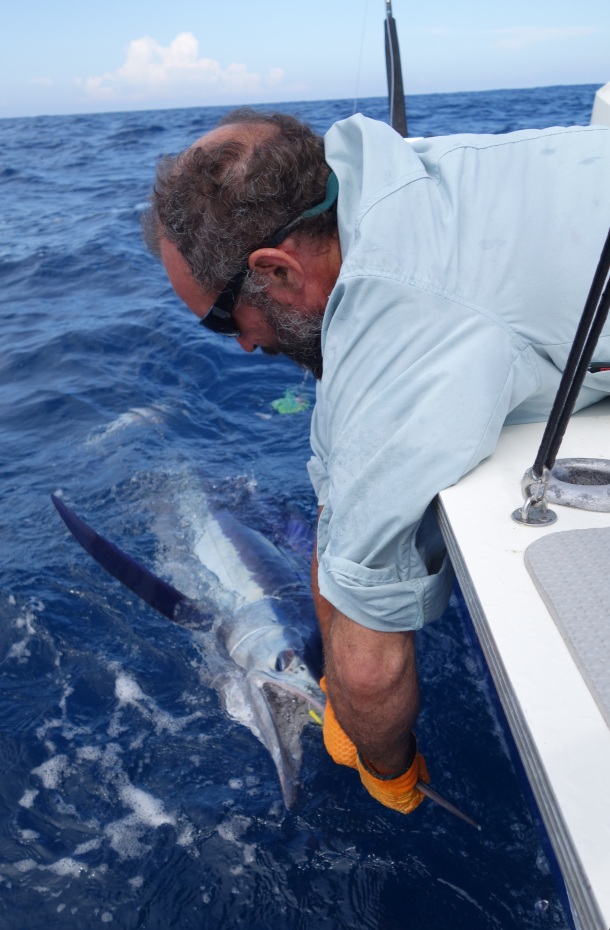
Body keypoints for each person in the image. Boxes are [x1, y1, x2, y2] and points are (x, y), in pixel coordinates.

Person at [143, 107, 610, 814]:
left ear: (274, 267)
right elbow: (339, 500)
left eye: (222, 318)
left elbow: (367, 675)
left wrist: (384, 764)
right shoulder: (385, 175)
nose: (238, 347)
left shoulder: (404, 331)